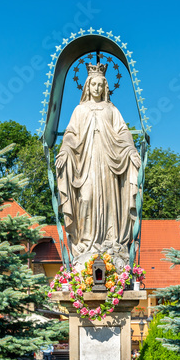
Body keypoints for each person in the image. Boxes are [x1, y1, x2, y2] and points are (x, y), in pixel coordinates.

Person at [55, 62, 140, 267]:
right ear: (87, 86)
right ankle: (85, 243)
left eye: (101, 85)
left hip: (110, 164)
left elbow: (123, 133)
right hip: (85, 164)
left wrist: (131, 150)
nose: (97, 88)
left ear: (106, 87)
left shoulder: (112, 110)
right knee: (86, 198)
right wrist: (65, 151)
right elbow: (70, 135)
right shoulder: (79, 110)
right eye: (93, 84)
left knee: (111, 202)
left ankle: (111, 243)